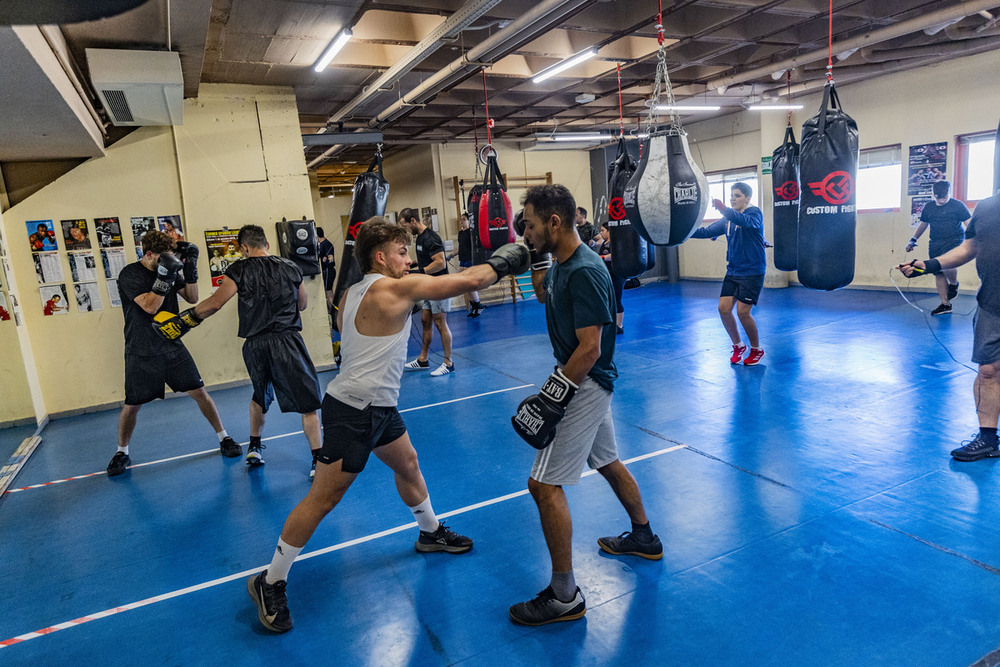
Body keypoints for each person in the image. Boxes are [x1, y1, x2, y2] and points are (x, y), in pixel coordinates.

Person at [245, 217, 529, 633]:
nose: (409, 259)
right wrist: (514, 254)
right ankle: (269, 580)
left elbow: (347, 328)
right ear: (381, 257)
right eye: (401, 252)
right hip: (354, 411)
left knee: (408, 464)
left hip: (379, 407)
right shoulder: (395, 288)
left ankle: (429, 532)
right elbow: (472, 279)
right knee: (322, 500)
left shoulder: (351, 293)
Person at [509, 184, 662, 626]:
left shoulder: (586, 270)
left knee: (542, 485)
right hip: (580, 378)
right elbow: (541, 295)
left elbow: (591, 349)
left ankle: (564, 596)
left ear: (555, 222)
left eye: (532, 224)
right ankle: (644, 536)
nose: (526, 229)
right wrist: (534, 255)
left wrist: (552, 397)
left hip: (585, 381)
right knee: (609, 461)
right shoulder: (559, 264)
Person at [164, 224, 324, 476]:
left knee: (260, 394)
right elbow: (302, 304)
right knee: (307, 402)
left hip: (255, 344)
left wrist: (183, 321)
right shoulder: (291, 267)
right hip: (287, 340)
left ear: (244, 248)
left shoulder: (238, 268)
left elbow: (215, 303)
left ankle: (255, 447)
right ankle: (318, 460)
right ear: (267, 245)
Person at [108, 230, 240, 477]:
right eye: (162, 258)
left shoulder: (168, 266)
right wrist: (165, 276)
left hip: (170, 343)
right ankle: (121, 451)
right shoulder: (130, 274)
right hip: (141, 348)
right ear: (149, 254)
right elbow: (149, 306)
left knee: (200, 392)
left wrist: (189, 269)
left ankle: (224, 437)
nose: (167, 261)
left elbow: (192, 297)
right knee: (132, 405)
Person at [898, 188, 1000, 462]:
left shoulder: (963, 207)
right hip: (993, 303)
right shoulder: (987, 207)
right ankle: (988, 438)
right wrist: (929, 265)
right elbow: (970, 247)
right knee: (988, 370)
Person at [690, 182, 766, 366]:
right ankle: (738, 345)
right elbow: (706, 231)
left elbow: (746, 223)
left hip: (752, 272)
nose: (733, 198)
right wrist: (682, 232)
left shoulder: (753, 213)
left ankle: (756, 349)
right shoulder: (728, 220)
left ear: (747, 198)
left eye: (738, 195)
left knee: (743, 312)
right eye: (731, 195)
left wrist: (724, 209)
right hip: (733, 270)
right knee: (723, 309)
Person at [398, 208, 455, 376]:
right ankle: (423, 359)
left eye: (406, 225)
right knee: (425, 320)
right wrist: (416, 264)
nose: (406, 229)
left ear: (413, 221)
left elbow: (440, 263)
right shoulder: (420, 238)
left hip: (439, 286)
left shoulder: (431, 238)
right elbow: (428, 259)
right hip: (429, 286)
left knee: (440, 322)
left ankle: (449, 363)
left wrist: (419, 272)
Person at [906, 180, 970, 315]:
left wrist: (978, 236)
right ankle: (945, 304)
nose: (941, 200)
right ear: (933, 195)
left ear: (949, 193)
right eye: (938, 198)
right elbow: (923, 224)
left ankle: (953, 284)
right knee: (938, 271)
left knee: (948, 263)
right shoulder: (929, 207)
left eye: (944, 197)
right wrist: (913, 240)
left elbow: (969, 223)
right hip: (935, 241)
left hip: (955, 239)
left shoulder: (958, 206)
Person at [595, 223, 625, 334]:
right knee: (607, 300)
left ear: (609, 231)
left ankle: (619, 326)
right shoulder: (604, 243)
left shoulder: (616, 243)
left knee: (617, 299)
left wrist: (601, 258)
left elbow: (615, 255)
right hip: (606, 275)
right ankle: (610, 323)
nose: (601, 232)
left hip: (616, 274)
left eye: (603, 230)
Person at [456, 212, 485, 317]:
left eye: (464, 219)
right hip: (462, 259)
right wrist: (450, 255)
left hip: (470, 259)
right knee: (464, 286)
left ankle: (478, 305)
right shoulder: (460, 233)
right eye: (461, 219)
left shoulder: (471, 233)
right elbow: (460, 248)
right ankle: (474, 307)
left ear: (468, 221)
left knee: (469, 284)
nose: (461, 221)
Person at [316, 226, 337, 313]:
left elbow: (330, 258)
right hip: (325, 270)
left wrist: (326, 258)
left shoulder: (327, 244)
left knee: (328, 292)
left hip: (329, 270)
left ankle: (333, 312)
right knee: (326, 291)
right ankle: (330, 311)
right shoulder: (320, 244)